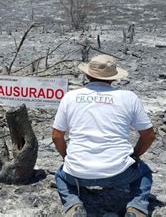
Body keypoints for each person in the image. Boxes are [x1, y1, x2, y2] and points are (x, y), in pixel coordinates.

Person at [52, 55, 156, 217]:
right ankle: (136, 208)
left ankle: (73, 205)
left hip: (77, 173)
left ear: (87, 75)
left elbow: (57, 135)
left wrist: (67, 157)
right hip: (120, 173)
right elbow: (149, 135)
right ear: (113, 78)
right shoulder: (128, 98)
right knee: (144, 173)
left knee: (60, 176)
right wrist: (135, 155)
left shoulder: (70, 97)